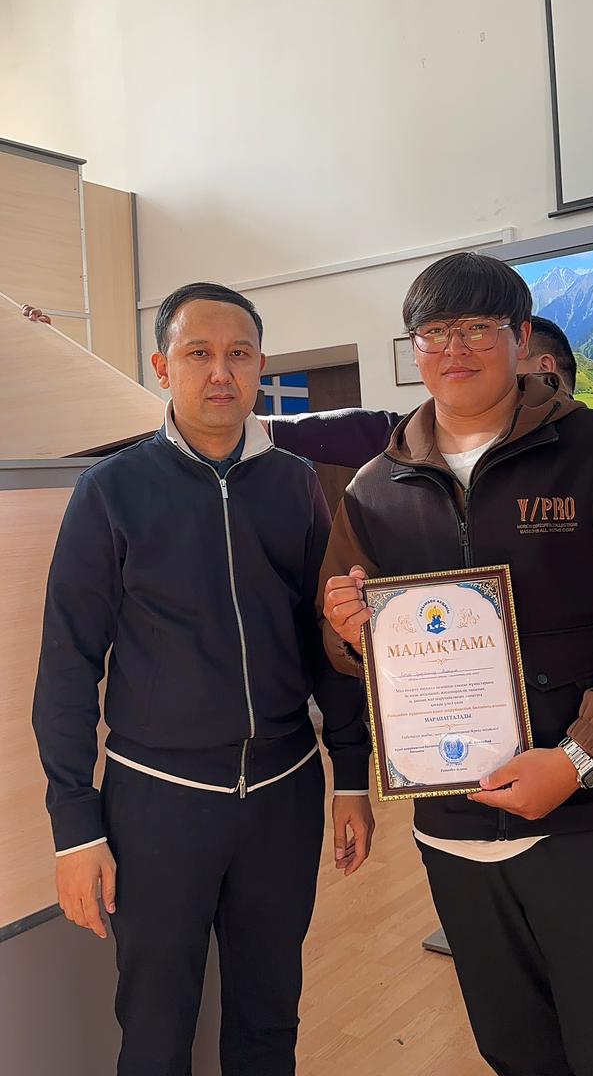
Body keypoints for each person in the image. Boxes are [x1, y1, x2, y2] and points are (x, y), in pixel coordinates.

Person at [318, 253, 593, 1076]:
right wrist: (349, 631)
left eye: (477, 328)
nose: (453, 348)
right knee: (517, 1051)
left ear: (521, 338)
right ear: (414, 347)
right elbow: (352, 649)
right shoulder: (374, 490)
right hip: (454, 827)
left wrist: (578, 761)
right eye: (434, 332)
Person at [32, 282, 373, 1076]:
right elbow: (68, 662)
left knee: (268, 1020)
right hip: (158, 800)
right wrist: (75, 825)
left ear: (259, 368)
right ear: (163, 367)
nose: (221, 372)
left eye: (239, 354)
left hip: (284, 792)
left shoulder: (295, 483)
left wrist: (351, 775)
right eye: (199, 353)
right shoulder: (110, 491)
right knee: (155, 1031)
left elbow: (327, 636)